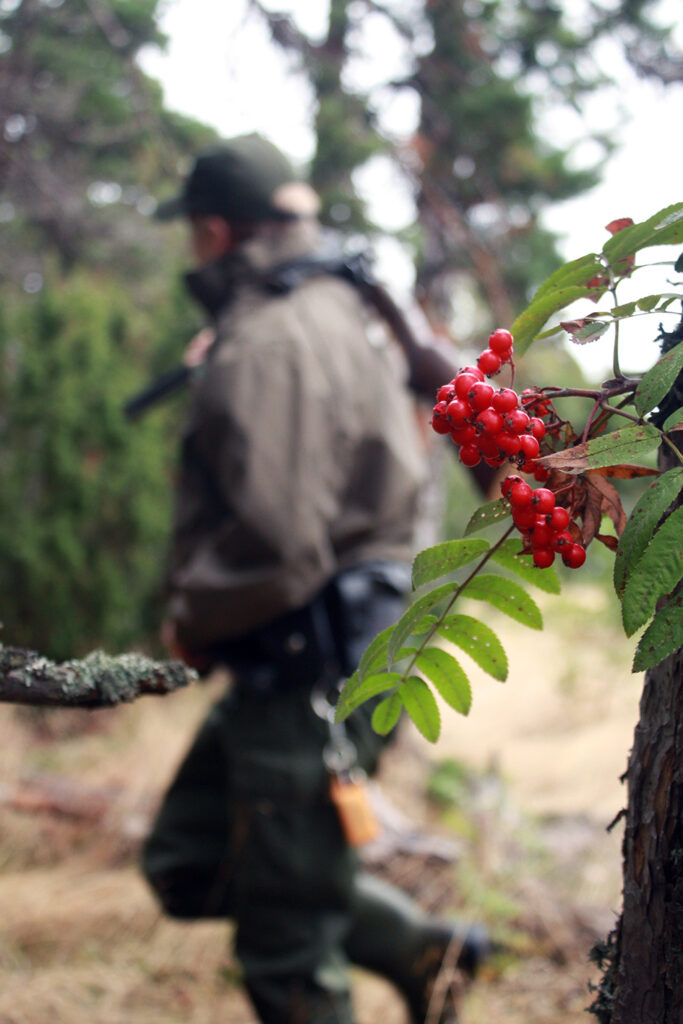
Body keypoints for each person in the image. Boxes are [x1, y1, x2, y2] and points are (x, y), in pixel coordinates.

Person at [141, 133, 489, 1024]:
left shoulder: (271, 337)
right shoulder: (337, 310)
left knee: (285, 943)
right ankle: (424, 947)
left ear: (215, 231)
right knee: (187, 858)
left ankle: (396, 940)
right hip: (312, 648)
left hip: (303, 653)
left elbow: (280, 544)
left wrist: (190, 618)